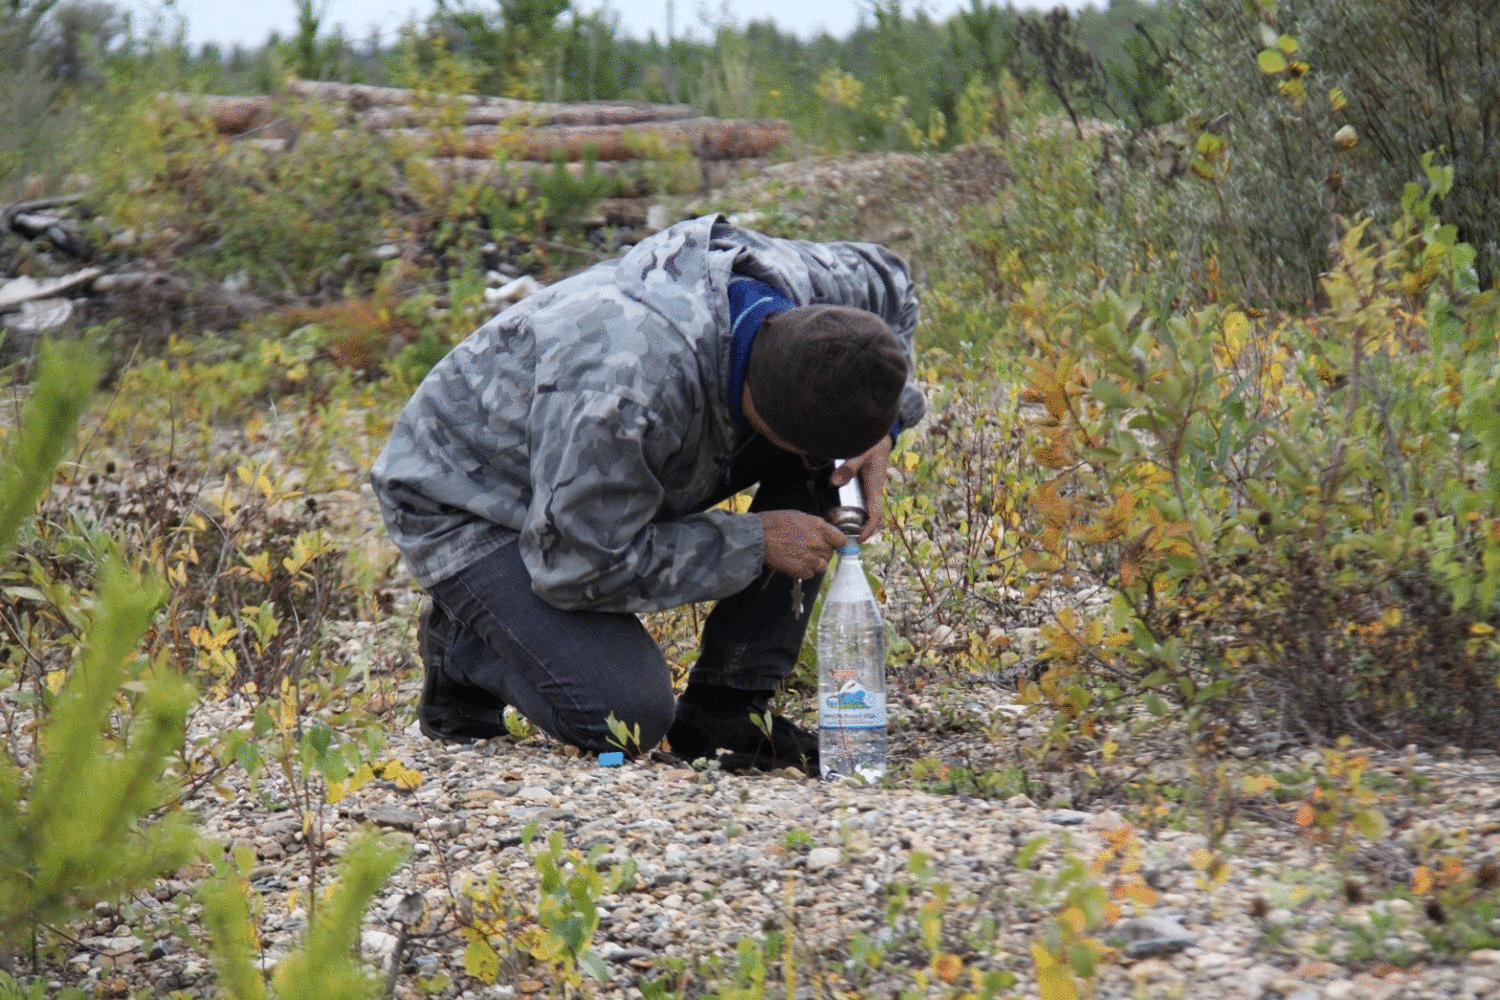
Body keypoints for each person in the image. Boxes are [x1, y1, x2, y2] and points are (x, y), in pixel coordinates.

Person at [369, 214, 923, 771]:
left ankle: (727, 708)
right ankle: (464, 646)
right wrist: (755, 541)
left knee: (829, 471)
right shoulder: (625, 398)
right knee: (623, 716)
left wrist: (885, 427)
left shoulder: (811, 289)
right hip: (466, 495)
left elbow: (895, 284)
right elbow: (577, 566)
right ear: (758, 413)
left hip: (588, 457)